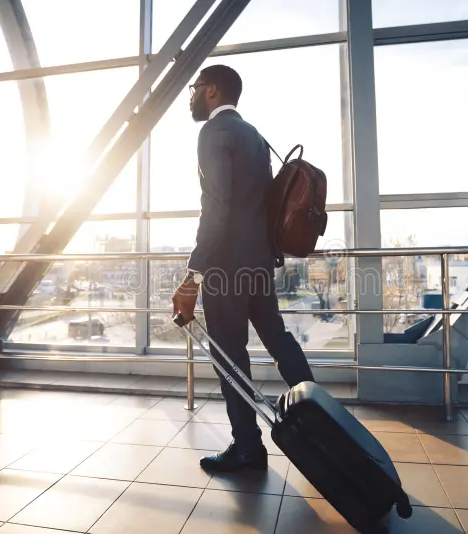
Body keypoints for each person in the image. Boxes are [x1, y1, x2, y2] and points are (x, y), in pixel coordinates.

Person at [172, 65, 315, 472]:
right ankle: (319, 416)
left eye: (195, 88)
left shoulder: (213, 133)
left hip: (226, 267)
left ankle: (249, 448)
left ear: (212, 90)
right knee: (277, 338)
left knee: (229, 355)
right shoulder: (255, 135)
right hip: (258, 262)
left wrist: (194, 274)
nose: (191, 96)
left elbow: (217, 207)